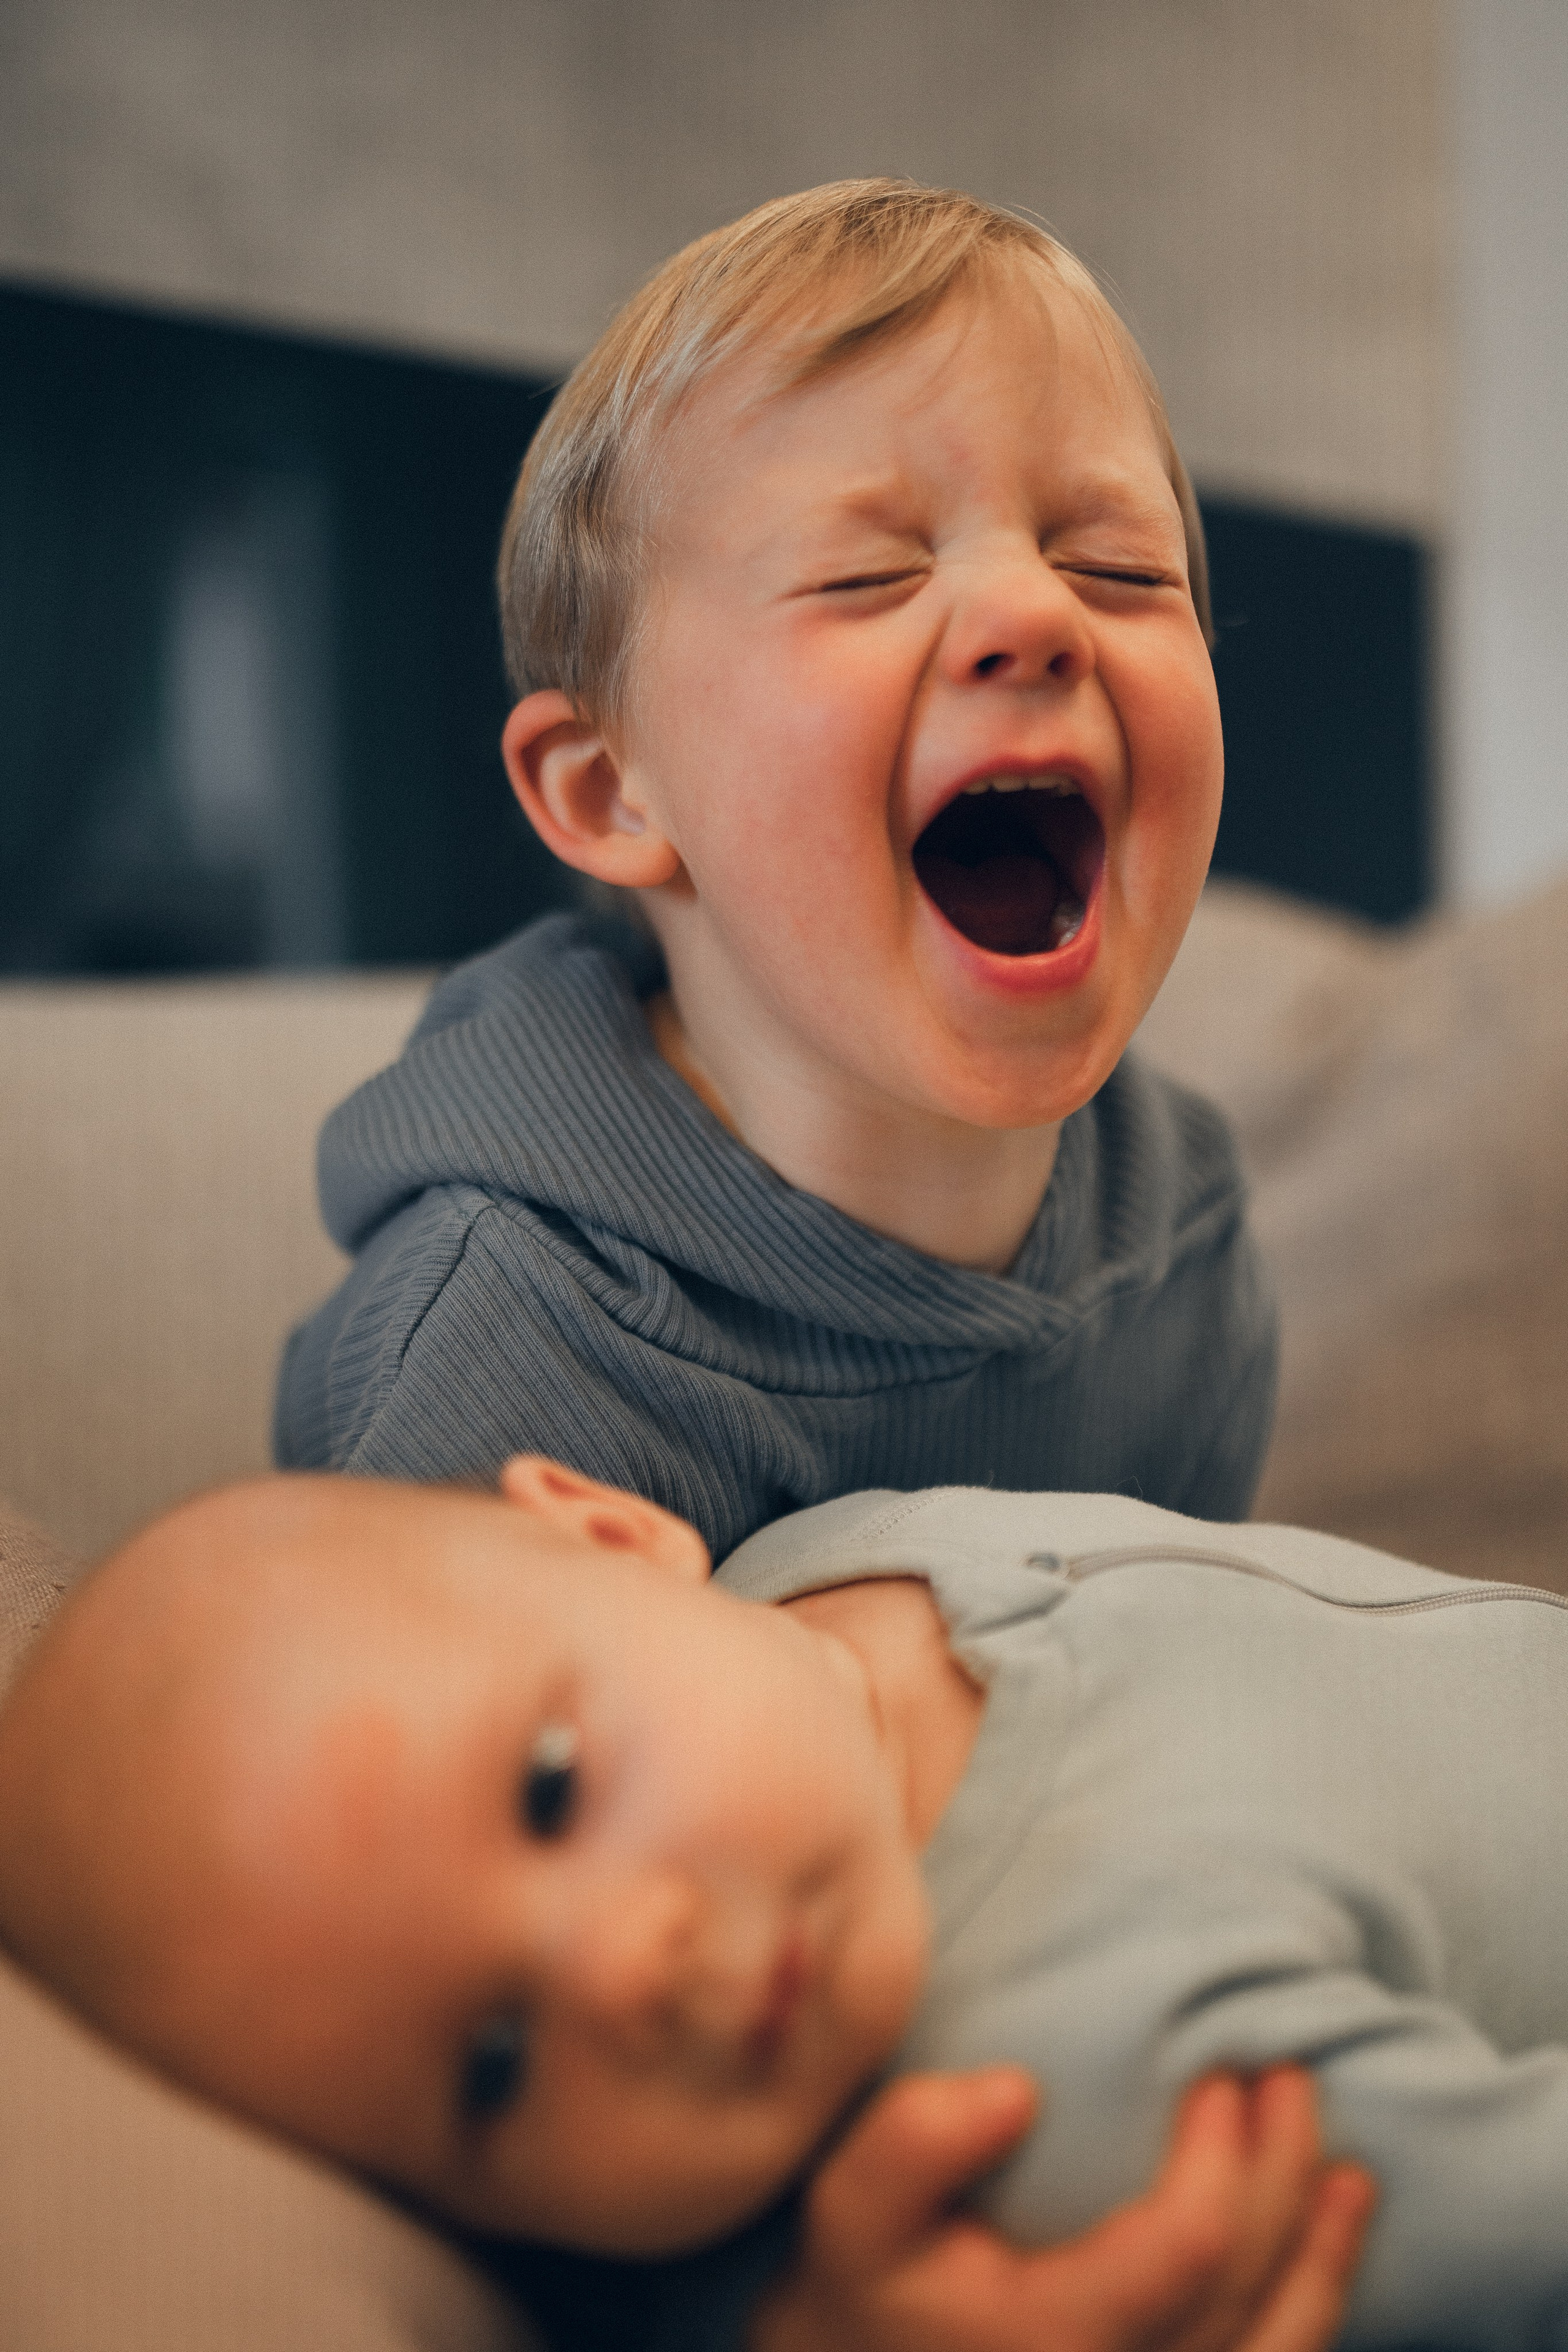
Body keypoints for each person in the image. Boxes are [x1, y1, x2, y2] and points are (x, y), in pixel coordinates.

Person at [274, 177, 1275, 1561]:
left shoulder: (1188, 1241)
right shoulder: (511, 1352)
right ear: (613, 789)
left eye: (1113, 566)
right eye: (865, 575)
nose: (1034, 611)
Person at [68, 1463, 1568, 2348]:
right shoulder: (1070, 2134)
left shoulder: (816, 1560)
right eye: (494, 2067)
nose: (624, 1969)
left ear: (604, 1532)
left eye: (547, 1791)